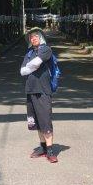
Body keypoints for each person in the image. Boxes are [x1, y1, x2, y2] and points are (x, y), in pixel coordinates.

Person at [20, 28, 57, 164]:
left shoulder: (46, 49)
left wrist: (31, 66)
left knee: (45, 120)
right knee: (36, 120)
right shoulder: (29, 53)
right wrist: (32, 66)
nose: (33, 38)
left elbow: (36, 63)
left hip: (43, 90)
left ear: (41, 37)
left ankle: (50, 150)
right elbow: (22, 71)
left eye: (36, 36)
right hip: (30, 90)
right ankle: (42, 148)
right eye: (31, 37)